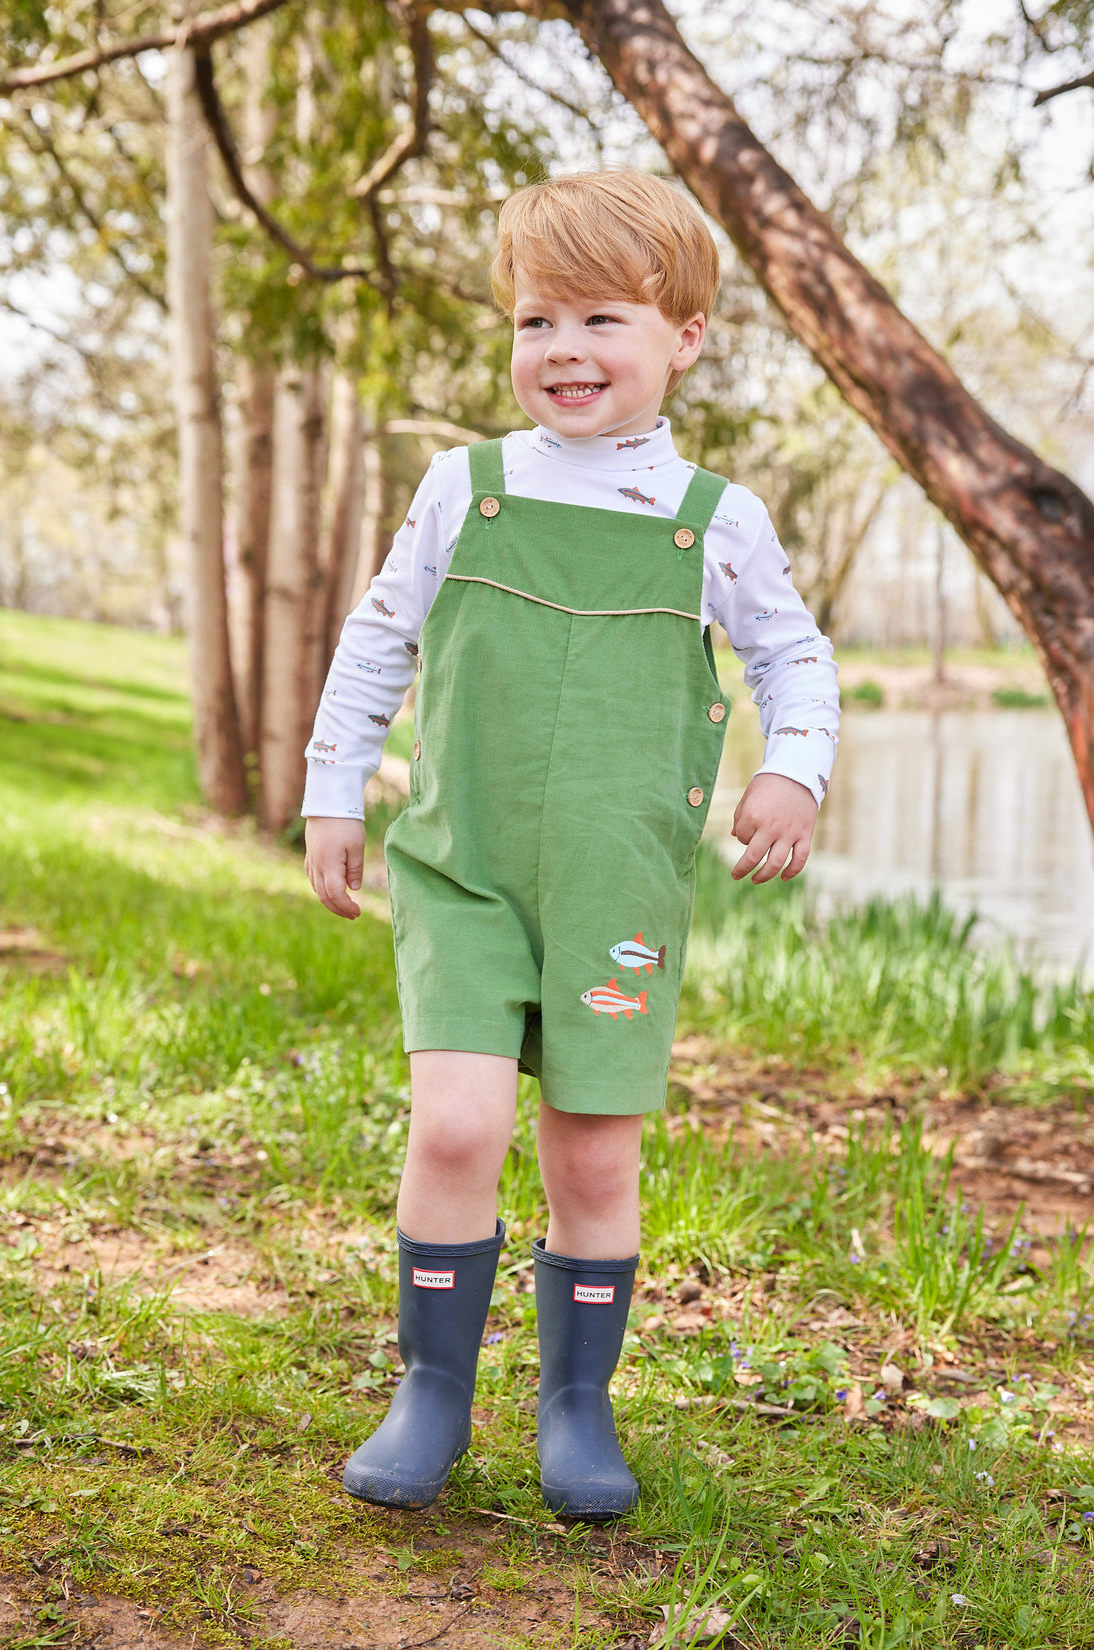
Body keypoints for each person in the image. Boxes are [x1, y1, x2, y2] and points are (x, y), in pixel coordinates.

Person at [302, 170, 839, 1521]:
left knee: (594, 1152)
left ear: (687, 337)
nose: (565, 351)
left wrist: (793, 771)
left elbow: (795, 658)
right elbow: (379, 639)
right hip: (465, 865)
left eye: (603, 319)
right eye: (539, 321)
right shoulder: (464, 487)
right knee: (460, 1118)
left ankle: (576, 1402)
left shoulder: (712, 519)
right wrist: (334, 789)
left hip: (618, 884)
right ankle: (432, 1386)